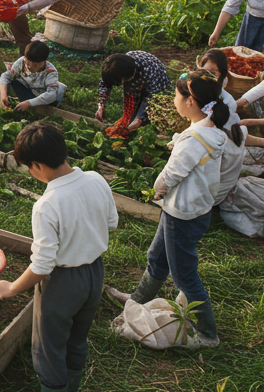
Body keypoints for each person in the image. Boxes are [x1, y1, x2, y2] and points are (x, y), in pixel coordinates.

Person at [0, 122, 117, 392]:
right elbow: (111, 222)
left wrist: (11, 288)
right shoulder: (96, 179)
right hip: (94, 274)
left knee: (49, 347)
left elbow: (43, 265)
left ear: (36, 166)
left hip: (62, 284)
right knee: (77, 338)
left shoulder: (47, 204)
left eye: (28, 168)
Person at [106, 73, 237, 348]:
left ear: (190, 101)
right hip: (192, 208)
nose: (174, 101)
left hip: (183, 214)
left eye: (177, 97)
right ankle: (136, 300)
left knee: (185, 276)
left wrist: (157, 190)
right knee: (157, 257)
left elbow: (170, 175)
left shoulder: (192, 140)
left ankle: (207, 335)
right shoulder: (212, 131)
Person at [196, 50, 248, 204]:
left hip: (209, 194)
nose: (209, 76)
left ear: (223, 75)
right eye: (204, 72)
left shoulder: (224, 108)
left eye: (214, 73)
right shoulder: (210, 90)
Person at [96, 51, 172, 133]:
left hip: (157, 87)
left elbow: (152, 98)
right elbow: (106, 82)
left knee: (147, 119)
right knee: (130, 121)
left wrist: (140, 119)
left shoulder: (151, 72)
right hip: (139, 78)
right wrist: (101, 105)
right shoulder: (120, 66)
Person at [0, 41, 66, 111]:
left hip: (41, 97)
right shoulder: (22, 62)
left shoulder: (50, 72)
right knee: (9, 81)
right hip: (29, 88)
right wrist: (3, 96)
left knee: (45, 104)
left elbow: (51, 95)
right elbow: (6, 76)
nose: (29, 66)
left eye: (34, 64)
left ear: (43, 62)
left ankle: (28, 105)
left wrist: (29, 103)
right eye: (27, 62)